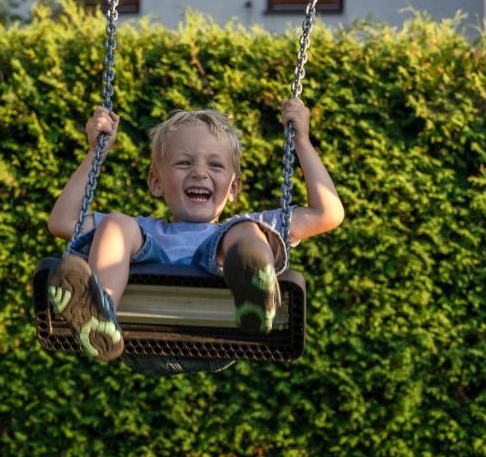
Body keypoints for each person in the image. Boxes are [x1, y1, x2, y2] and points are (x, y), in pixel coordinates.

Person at [45, 100, 345, 363]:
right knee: (115, 223)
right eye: (183, 163)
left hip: (225, 264)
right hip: (151, 259)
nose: (199, 172)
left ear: (233, 188)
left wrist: (302, 141)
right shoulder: (143, 230)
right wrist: (95, 153)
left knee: (246, 232)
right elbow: (62, 222)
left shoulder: (239, 227)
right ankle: (100, 314)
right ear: (156, 182)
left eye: (215, 165)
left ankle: (254, 289)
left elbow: (327, 214)